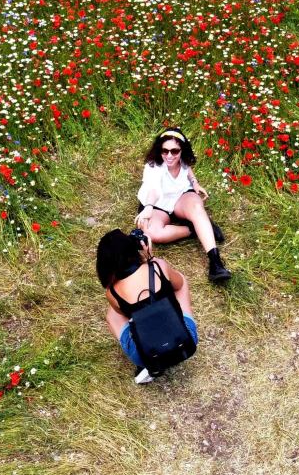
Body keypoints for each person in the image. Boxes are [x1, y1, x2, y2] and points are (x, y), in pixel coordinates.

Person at [97, 228, 198, 384]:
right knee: (181, 281)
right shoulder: (158, 266)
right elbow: (178, 284)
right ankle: (184, 322)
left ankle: (142, 364)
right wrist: (151, 259)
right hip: (185, 342)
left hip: (147, 355)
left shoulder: (112, 293)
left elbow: (123, 314)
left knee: (112, 315)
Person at [135, 127, 232, 284]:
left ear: (182, 150)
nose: (169, 156)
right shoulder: (153, 166)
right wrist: (148, 207)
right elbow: (153, 189)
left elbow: (188, 169)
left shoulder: (183, 160)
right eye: (165, 151)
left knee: (197, 207)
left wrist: (195, 183)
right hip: (157, 204)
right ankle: (196, 228)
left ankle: (216, 263)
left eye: (175, 151)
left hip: (180, 196)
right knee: (154, 233)